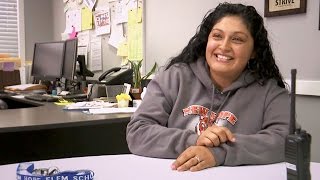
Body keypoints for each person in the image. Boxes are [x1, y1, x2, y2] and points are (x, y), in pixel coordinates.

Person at [126, 2, 290, 172]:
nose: (224, 47)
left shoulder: (270, 91)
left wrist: (218, 153)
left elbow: (285, 140)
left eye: (237, 39)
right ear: (207, 41)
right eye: (217, 36)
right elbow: (138, 132)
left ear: (254, 51)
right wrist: (194, 140)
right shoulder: (174, 77)